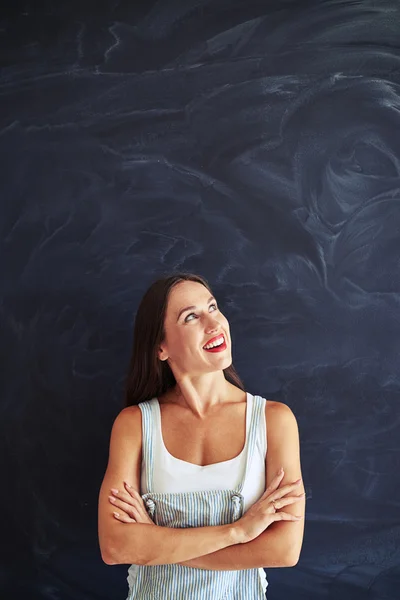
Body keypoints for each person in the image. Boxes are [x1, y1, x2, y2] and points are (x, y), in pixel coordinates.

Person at [98, 272, 305, 599]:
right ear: (161, 347)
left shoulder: (273, 421)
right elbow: (115, 546)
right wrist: (239, 531)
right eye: (191, 316)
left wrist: (154, 541)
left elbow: (284, 550)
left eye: (213, 307)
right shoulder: (134, 425)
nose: (214, 323)